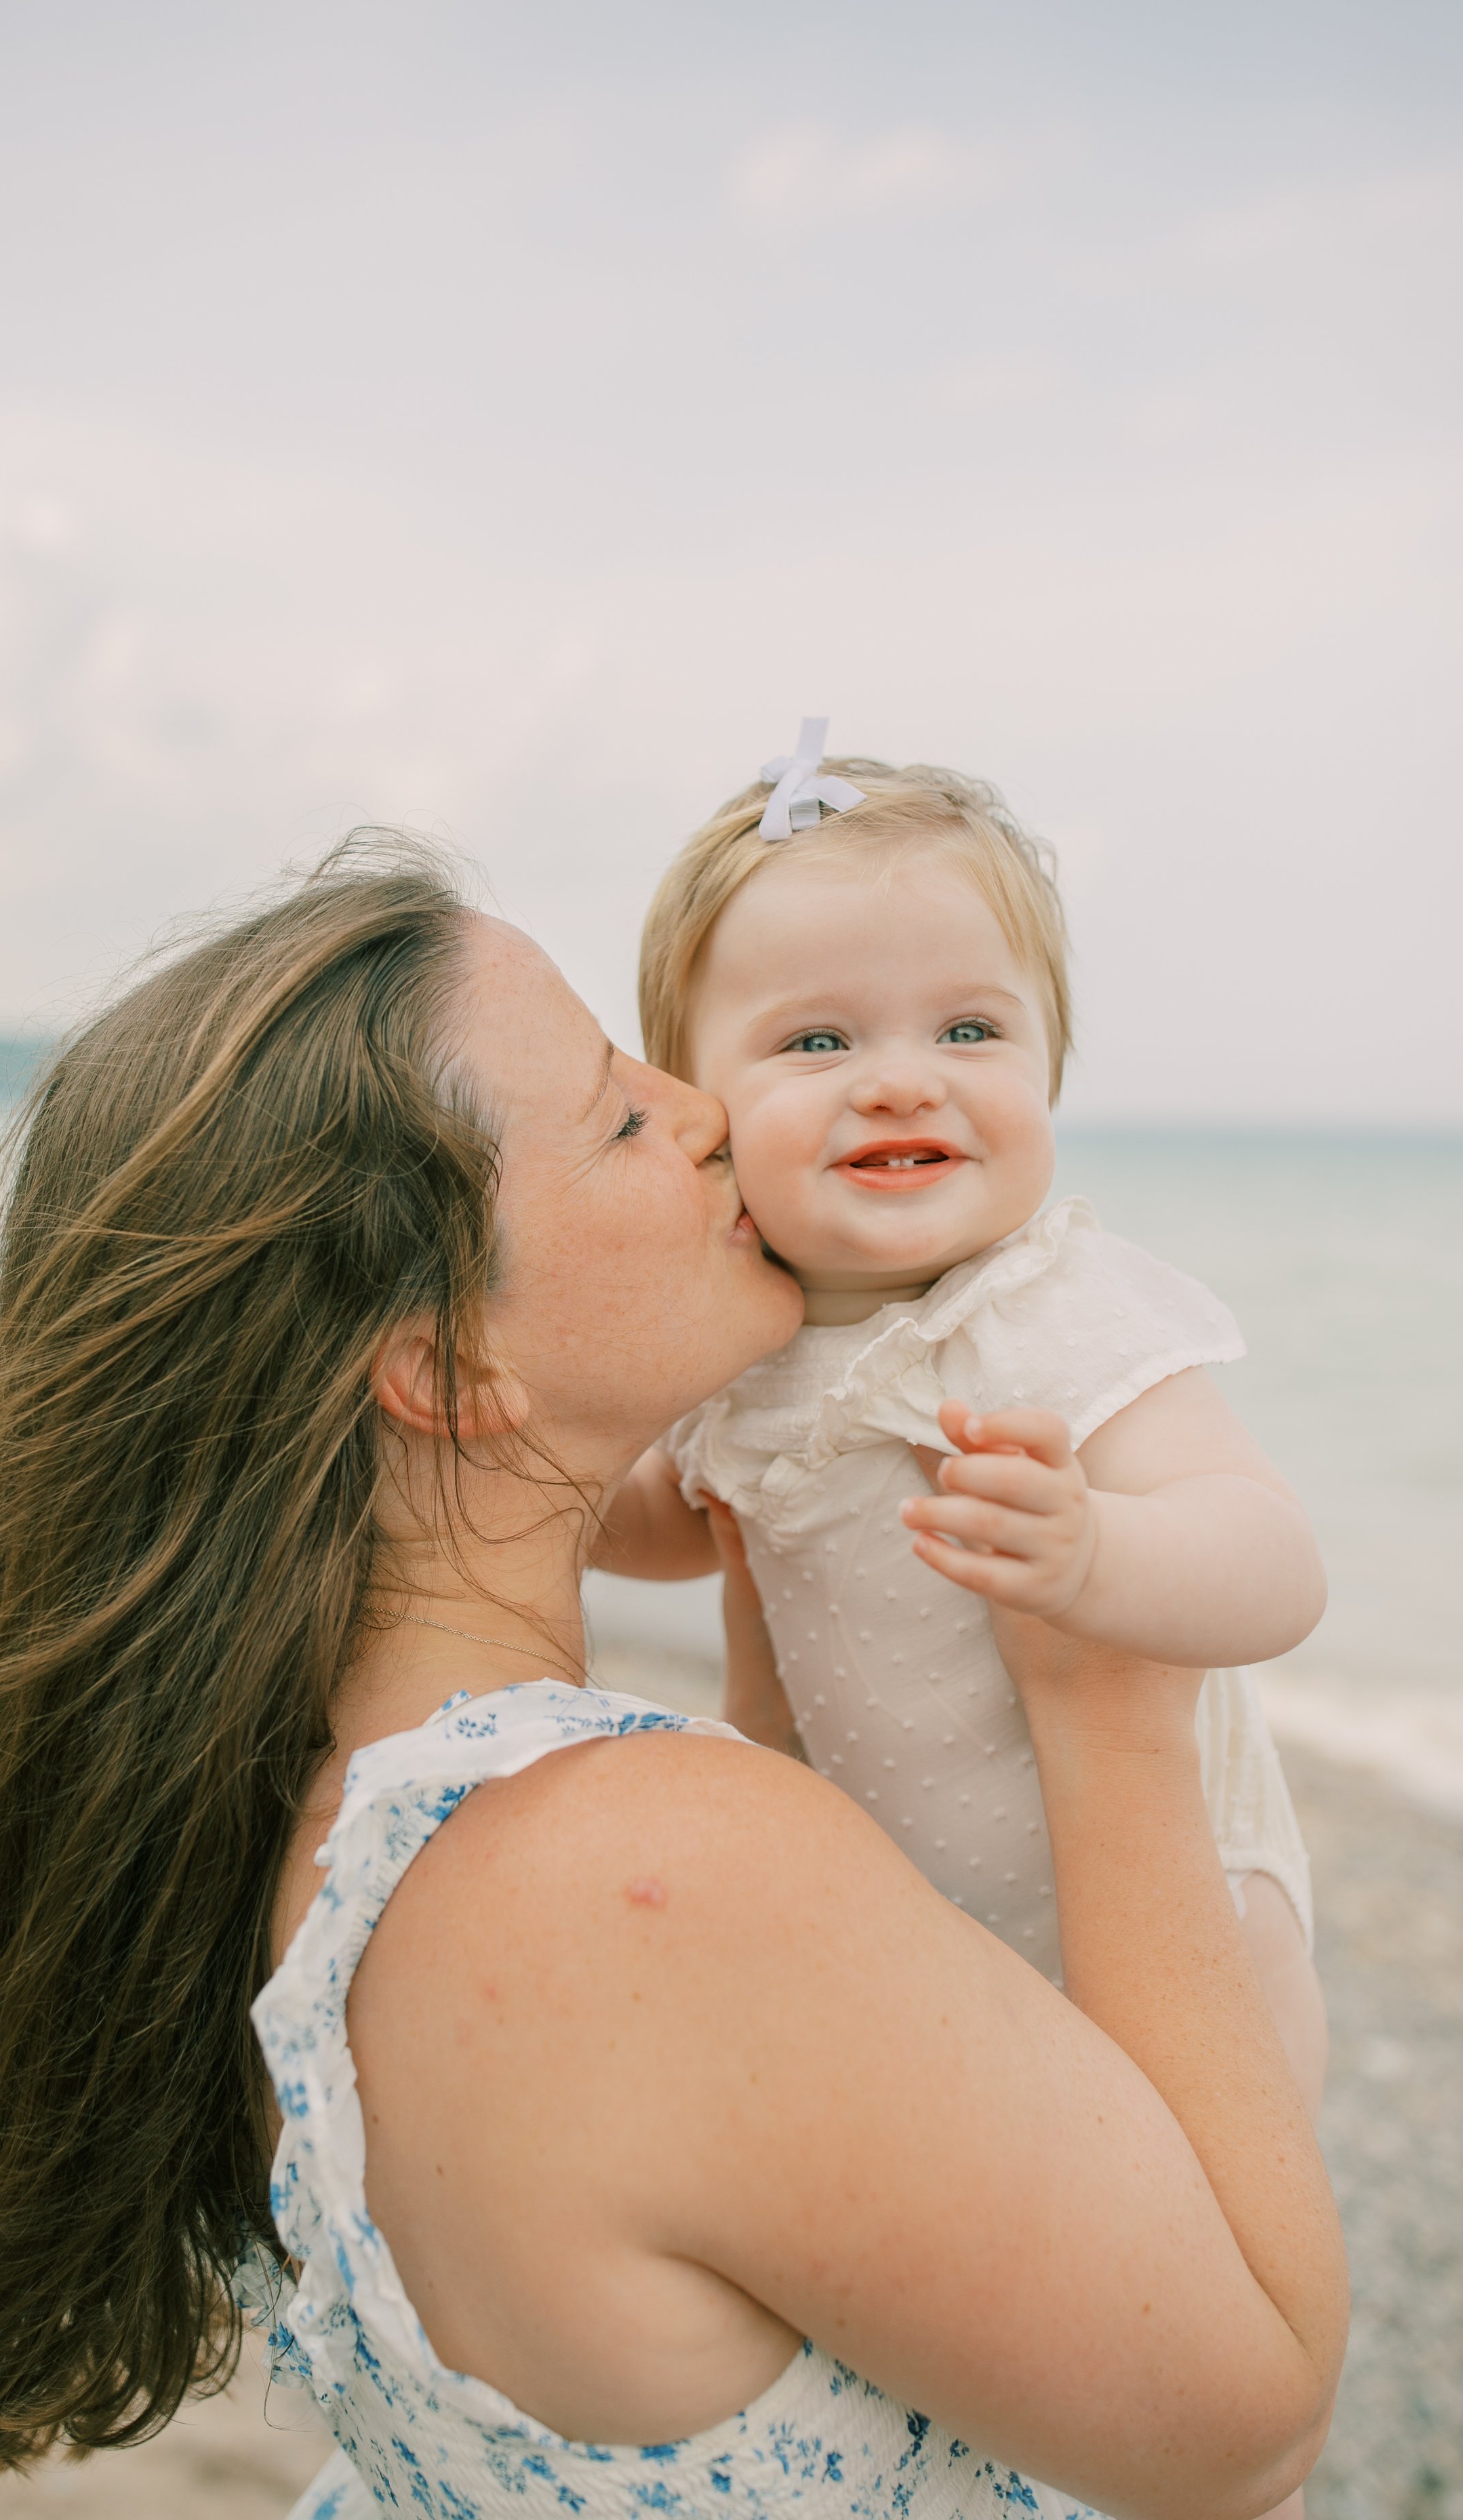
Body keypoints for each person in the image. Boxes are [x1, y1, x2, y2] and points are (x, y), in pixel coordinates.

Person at [0, 837, 1345, 2519]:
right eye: (619, 1107)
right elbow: (1246, 2433)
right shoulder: (642, 1877)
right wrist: (1103, 1692)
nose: (701, 1111)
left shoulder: (292, 1816)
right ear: (446, 1365)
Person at [597, 723, 1327, 2107]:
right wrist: (548, 1488)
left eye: (967, 1029)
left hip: (1179, 1903)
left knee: (1192, 2214)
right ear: (699, 1109)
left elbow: (1274, 1565)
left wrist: (1098, 1556)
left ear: (1046, 1063)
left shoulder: (1042, 1309)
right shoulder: (735, 1337)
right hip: (928, 1919)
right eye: (815, 1039)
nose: (897, 1077)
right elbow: (678, 1523)